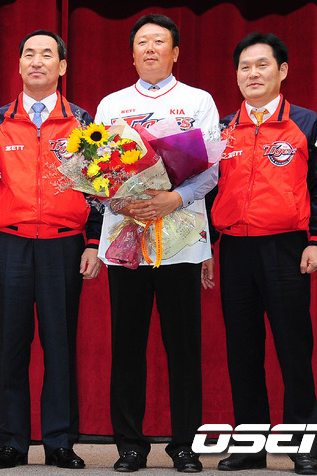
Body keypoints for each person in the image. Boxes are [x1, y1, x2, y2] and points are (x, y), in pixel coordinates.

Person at [209, 32, 317, 475]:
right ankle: (250, 446)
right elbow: (207, 193)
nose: (252, 74)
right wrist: (207, 247)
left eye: (262, 65)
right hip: (234, 250)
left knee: (293, 347)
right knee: (242, 351)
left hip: (287, 249)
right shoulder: (222, 129)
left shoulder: (307, 123)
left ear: (282, 71)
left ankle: (304, 446)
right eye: (244, 67)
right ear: (236, 75)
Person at [95, 14, 220, 473]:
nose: (150, 49)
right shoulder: (111, 105)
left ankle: (185, 445)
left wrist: (174, 198)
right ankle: (130, 445)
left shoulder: (198, 101)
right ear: (132, 54)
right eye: (142, 42)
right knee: (127, 345)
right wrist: (120, 200)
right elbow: (94, 168)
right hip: (126, 237)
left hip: (181, 238)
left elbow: (211, 168)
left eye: (159, 42)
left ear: (175, 52)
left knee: (183, 347)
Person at [0, 30, 102, 470]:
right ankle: (12, 443)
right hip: (11, 244)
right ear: (18, 64)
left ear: (62, 66)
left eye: (47, 54)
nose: (38, 61)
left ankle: (59, 442)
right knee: (12, 346)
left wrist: (93, 241)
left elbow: (98, 186)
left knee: (60, 347)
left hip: (64, 246)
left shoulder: (83, 121)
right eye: (29, 54)